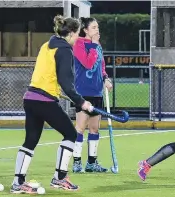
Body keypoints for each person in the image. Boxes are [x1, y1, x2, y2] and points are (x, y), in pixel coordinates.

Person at [10, 15, 92, 194]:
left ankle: (18, 182)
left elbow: (48, 75)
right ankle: (60, 178)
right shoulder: (65, 50)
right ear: (70, 33)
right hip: (44, 101)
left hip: (30, 98)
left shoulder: (46, 46)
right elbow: (66, 82)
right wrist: (82, 102)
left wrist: (56, 89)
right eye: (77, 34)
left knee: (31, 140)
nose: (78, 38)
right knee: (71, 134)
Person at [71, 17, 112, 173]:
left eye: (98, 27)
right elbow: (88, 63)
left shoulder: (98, 46)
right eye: (94, 28)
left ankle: (91, 163)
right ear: (85, 30)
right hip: (83, 92)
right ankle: (76, 162)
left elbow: (100, 67)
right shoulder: (79, 44)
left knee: (94, 129)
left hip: (97, 92)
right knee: (80, 128)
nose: (97, 30)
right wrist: (94, 44)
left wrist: (106, 79)